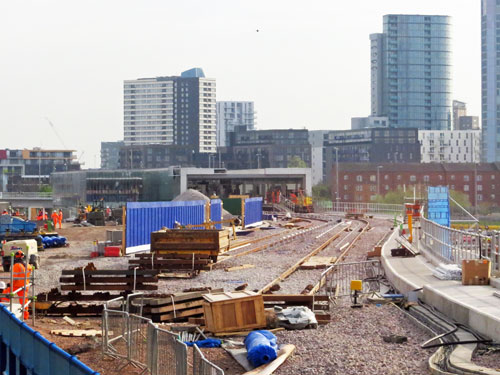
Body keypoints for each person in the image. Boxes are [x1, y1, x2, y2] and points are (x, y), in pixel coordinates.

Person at [0, 251, 32, 319]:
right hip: (25, 285)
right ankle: (25, 316)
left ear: (15, 257)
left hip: (16, 285)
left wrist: (10, 284)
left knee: (5, 295)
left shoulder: (16, 265)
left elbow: (15, 278)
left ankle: (3, 311)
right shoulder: (28, 265)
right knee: (24, 301)